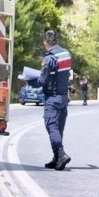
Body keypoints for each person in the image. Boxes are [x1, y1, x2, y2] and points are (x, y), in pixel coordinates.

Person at [39, 30, 72, 170]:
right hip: (64, 97)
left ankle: (61, 154)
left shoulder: (49, 58)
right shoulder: (66, 54)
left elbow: (42, 80)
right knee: (58, 129)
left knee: (52, 126)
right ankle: (56, 159)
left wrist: (34, 79)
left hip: (52, 98)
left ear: (45, 43)